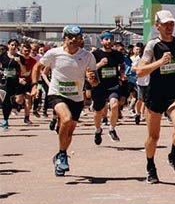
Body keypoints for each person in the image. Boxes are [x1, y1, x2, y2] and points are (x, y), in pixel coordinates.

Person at [134, 10, 175, 184]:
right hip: (155, 95)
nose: (169, 27)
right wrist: (160, 62)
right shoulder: (153, 46)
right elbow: (139, 71)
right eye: (165, 24)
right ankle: (150, 165)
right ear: (157, 25)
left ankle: (173, 155)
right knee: (154, 136)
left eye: (171, 24)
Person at [30, 26, 99, 176]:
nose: (73, 40)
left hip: (76, 97)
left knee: (69, 131)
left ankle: (61, 155)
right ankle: (62, 155)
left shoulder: (87, 56)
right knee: (66, 119)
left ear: (81, 39)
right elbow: (37, 67)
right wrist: (35, 86)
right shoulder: (54, 53)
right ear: (64, 38)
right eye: (70, 37)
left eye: (77, 37)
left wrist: (92, 80)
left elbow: (95, 81)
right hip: (57, 93)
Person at [91, 32, 126, 144]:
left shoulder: (117, 54)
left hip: (113, 84)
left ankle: (112, 129)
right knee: (98, 111)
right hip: (99, 85)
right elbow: (90, 69)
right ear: (101, 41)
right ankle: (98, 129)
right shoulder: (95, 54)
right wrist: (100, 64)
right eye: (106, 39)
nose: (108, 41)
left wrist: (121, 74)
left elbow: (122, 65)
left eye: (110, 39)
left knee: (115, 104)